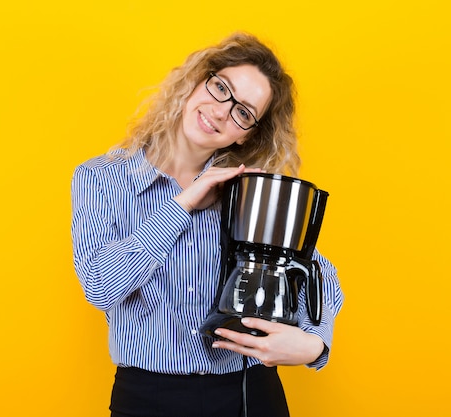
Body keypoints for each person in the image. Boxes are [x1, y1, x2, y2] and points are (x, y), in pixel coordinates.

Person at [71, 32, 344, 417]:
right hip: (147, 397)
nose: (220, 112)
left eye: (243, 113)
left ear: (248, 134)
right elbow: (100, 286)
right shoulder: (101, 179)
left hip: (248, 394)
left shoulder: (247, 190)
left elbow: (319, 275)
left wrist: (315, 344)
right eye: (220, 88)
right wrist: (183, 203)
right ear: (198, 79)